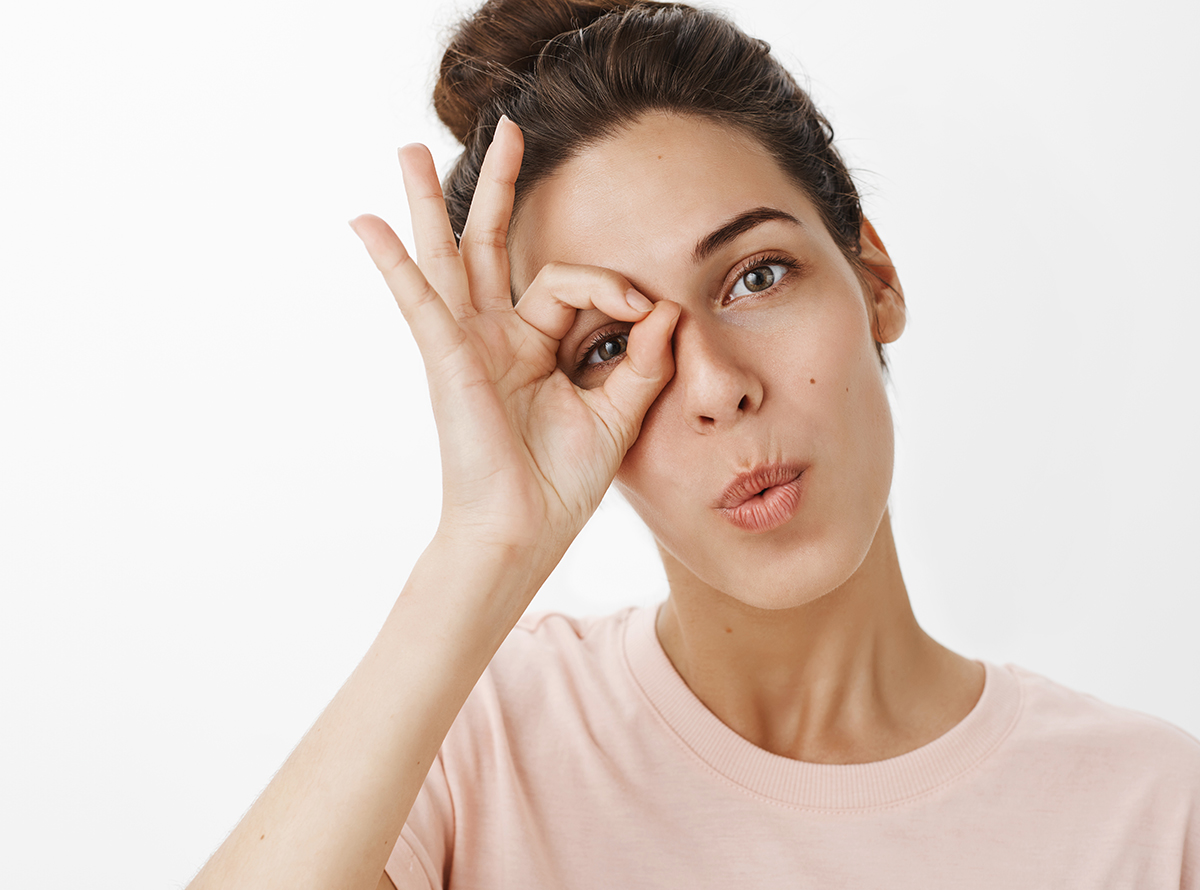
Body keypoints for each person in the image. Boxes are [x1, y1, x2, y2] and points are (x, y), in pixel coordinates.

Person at [188, 1, 1200, 887]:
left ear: (873, 277)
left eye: (756, 276)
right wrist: (482, 544)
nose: (717, 386)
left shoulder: (1156, 814)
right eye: (612, 344)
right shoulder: (481, 747)